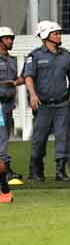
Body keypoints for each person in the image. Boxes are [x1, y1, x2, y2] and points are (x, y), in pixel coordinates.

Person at [25, 21, 70, 183]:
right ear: (45, 36)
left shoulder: (66, 55)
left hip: (62, 105)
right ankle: (36, 170)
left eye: (59, 33)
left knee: (63, 138)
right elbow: (28, 77)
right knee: (39, 139)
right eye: (56, 33)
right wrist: (32, 95)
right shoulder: (35, 56)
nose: (59, 36)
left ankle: (60, 171)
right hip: (43, 105)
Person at [0, 27, 22, 184]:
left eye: (12, 38)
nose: (10, 41)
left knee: (5, 137)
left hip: (8, 105)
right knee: (2, 138)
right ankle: (5, 170)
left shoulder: (12, 60)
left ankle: (5, 168)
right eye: (7, 38)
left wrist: (16, 81)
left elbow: (17, 79)